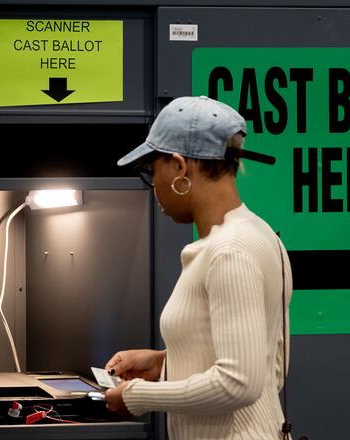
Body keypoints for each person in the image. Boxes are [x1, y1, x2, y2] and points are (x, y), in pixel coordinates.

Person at [105, 96, 293, 440]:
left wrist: (137, 397)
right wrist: (163, 363)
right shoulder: (260, 235)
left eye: (152, 170)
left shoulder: (228, 252)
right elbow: (269, 370)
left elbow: (240, 383)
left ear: (179, 167)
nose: (154, 187)